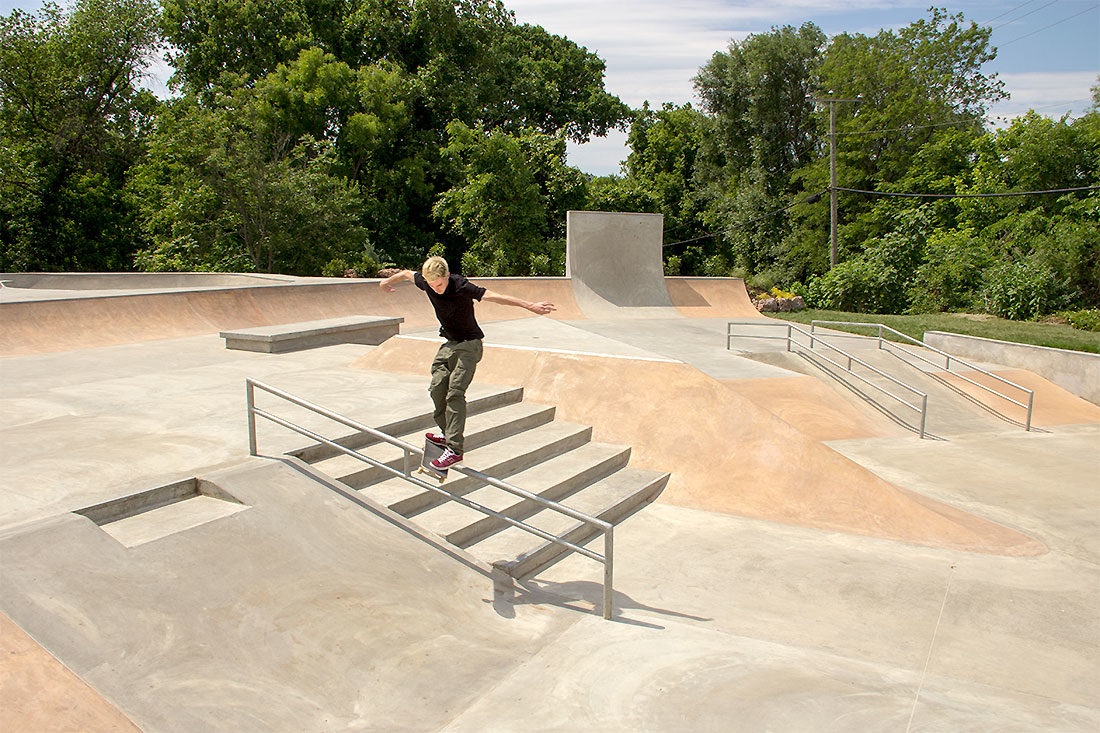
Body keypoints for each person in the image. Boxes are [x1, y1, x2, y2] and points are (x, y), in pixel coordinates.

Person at [380, 256, 556, 470]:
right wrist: (387, 281)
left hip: (470, 345)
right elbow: (407, 274)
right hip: (449, 344)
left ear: (446, 276)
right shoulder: (425, 282)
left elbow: (493, 296)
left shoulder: (460, 285)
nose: (437, 290)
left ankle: (454, 450)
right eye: (432, 286)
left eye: (440, 285)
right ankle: (447, 434)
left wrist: (530, 305)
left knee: (454, 392)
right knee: (436, 388)